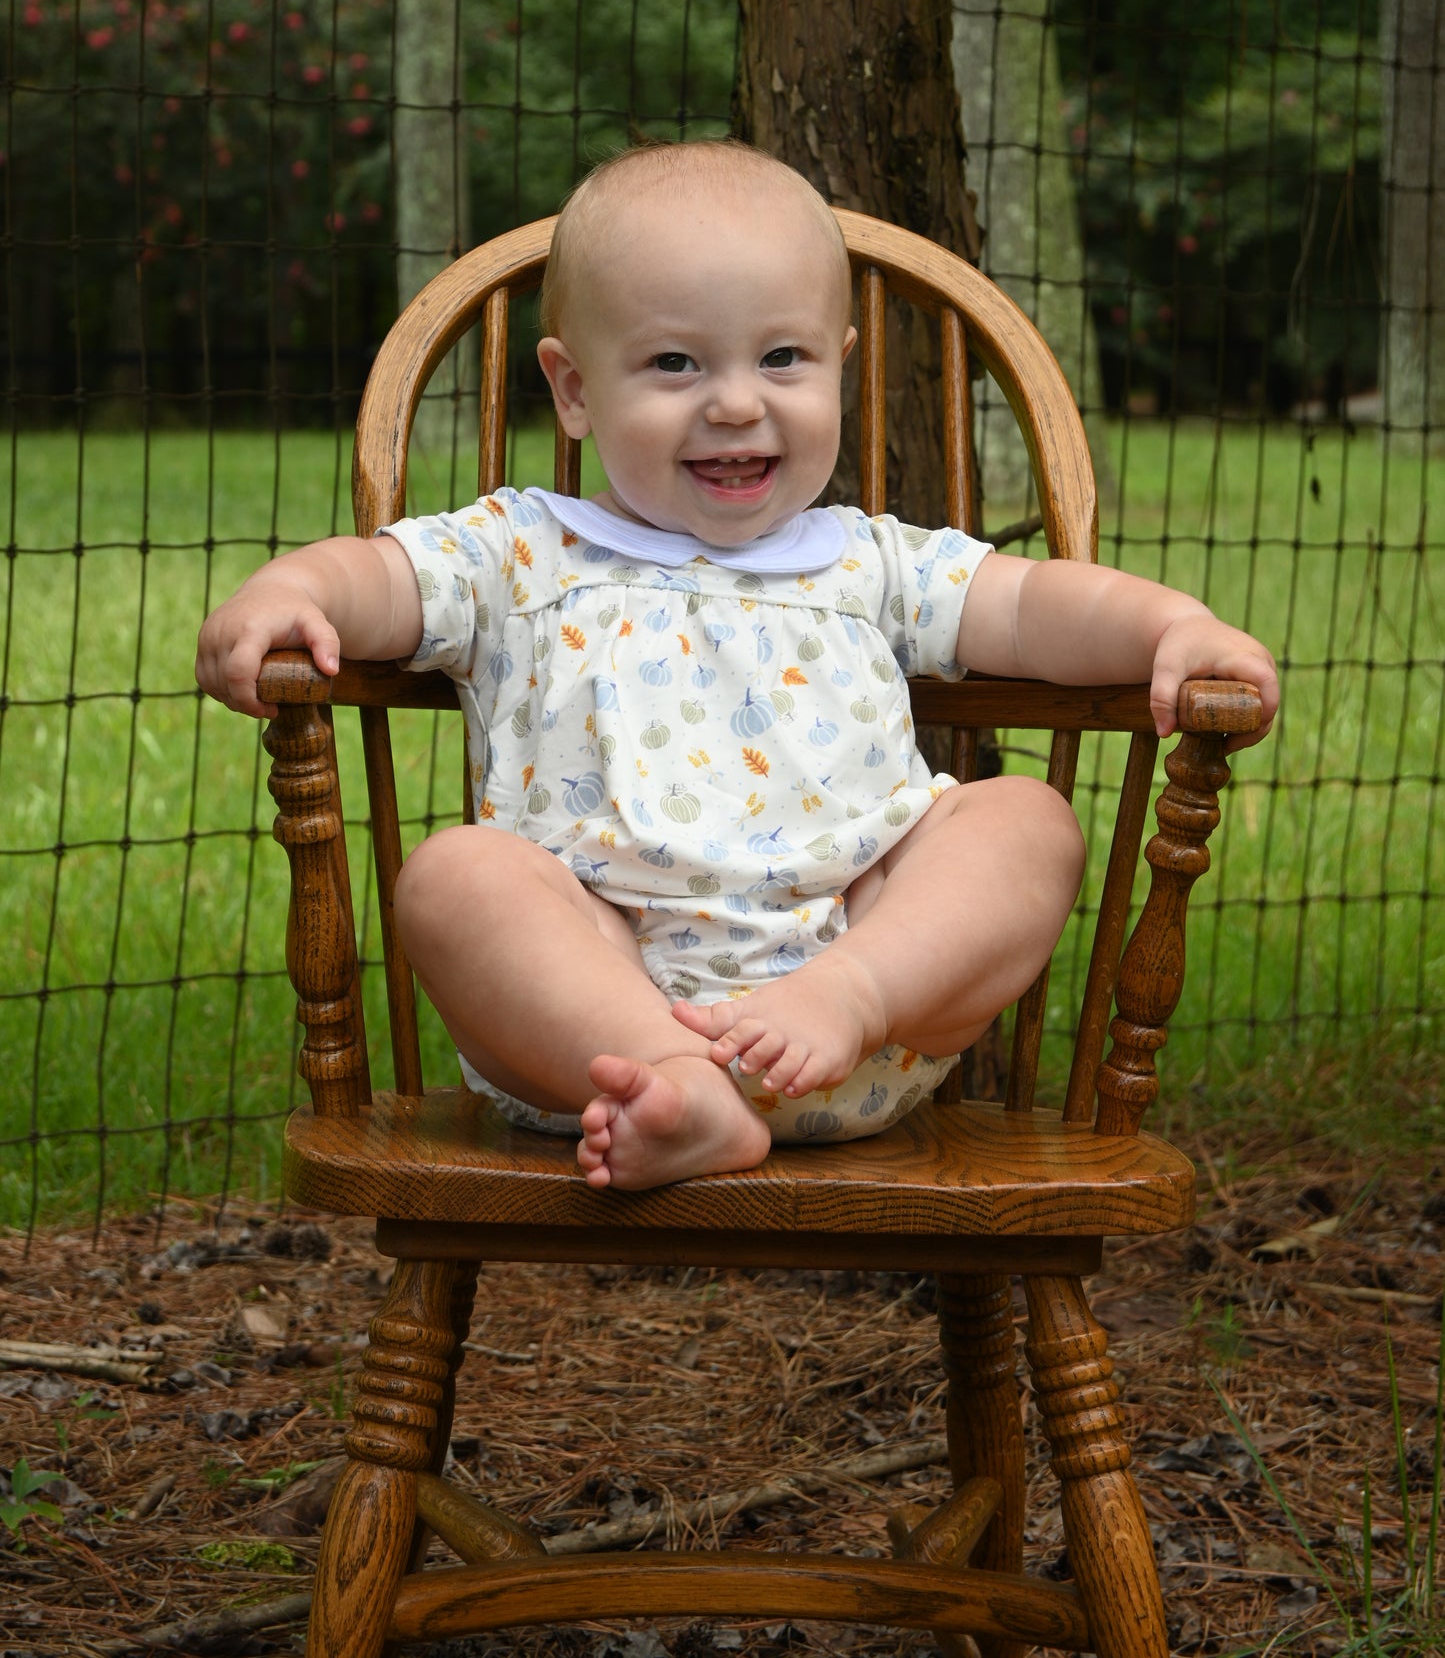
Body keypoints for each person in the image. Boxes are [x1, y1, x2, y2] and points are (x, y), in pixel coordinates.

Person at [196, 140, 1278, 1192]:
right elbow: (377, 578)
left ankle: (840, 994)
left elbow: (1036, 603)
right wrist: (289, 592)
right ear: (573, 390)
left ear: (838, 367)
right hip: (593, 1047)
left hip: (860, 1029)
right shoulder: (518, 550)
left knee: (1024, 824)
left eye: (781, 357)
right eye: (674, 362)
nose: (734, 401)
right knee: (453, 878)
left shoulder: (867, 559)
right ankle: (684, 1090)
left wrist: (1168, 627)